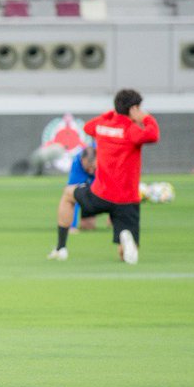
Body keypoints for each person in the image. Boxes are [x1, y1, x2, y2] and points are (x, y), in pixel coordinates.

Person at [49, 90, 159, 264]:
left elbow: (88, 127)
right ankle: (125, 236)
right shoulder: (132, 130)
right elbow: (153, 135)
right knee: (125, 256)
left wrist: (112, 114)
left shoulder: (102, 125)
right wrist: (146, 118)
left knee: (68, 194)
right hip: (127, 199)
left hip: (101, 194)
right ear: (133, 109)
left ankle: (60, 248)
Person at [66, 146, 97, 232]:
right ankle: (71, 224)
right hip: (83, 183)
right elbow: (72, 196)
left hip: (98, 182)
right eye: (87, 167)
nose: (91, 171)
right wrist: (72, 226)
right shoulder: (77, 163)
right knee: (87, 226)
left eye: (92, 167)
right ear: (82, 160)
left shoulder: (105, 161)